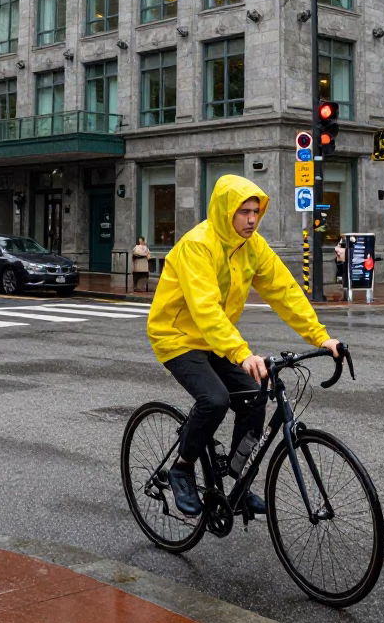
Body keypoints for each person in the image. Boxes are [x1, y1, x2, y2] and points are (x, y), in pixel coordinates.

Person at [146, 175, 341, 518]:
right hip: (177, 337)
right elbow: (205, 309)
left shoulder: (253, 247)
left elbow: (284, 291)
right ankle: (182, 466)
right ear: (225, 211)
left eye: (256, 212)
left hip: (216, 339)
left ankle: (237, 481)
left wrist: (320, 336)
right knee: (215, 399)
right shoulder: (198, 245)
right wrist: (241, 353)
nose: (252, 219)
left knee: (255, 395)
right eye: (244, 212)